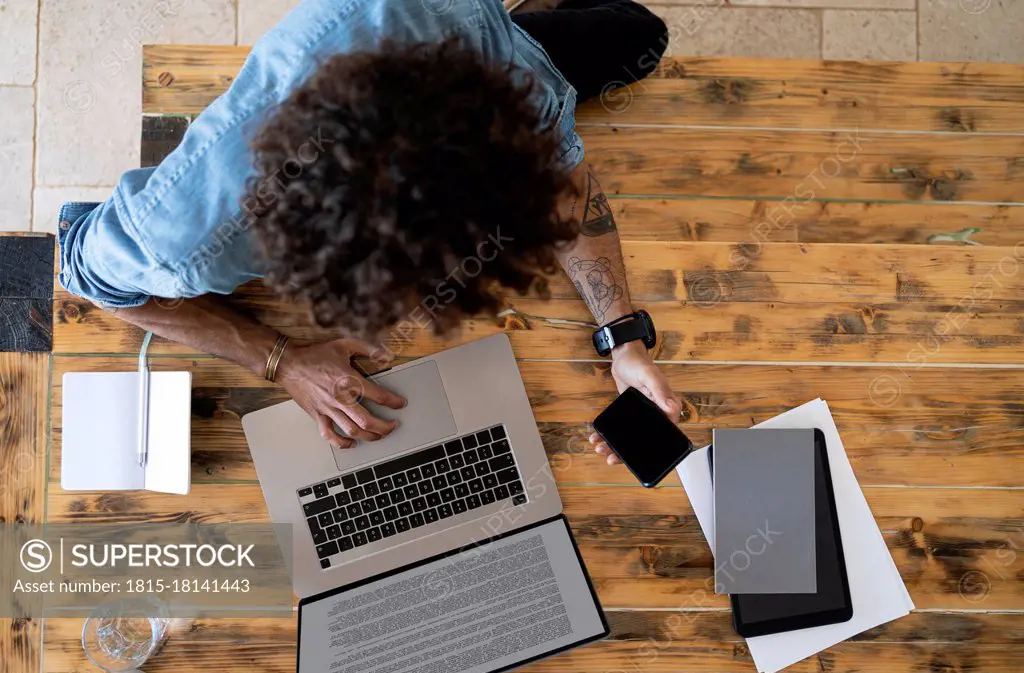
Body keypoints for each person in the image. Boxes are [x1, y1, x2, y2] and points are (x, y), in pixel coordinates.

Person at [57, 0, 680, 463]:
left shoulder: (482, 61)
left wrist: (623, 339)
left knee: (644, 37)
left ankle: (530, 28)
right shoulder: (184, 233)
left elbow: (566, 179)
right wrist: (282, 360)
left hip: (478, 36)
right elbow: (85, 276)